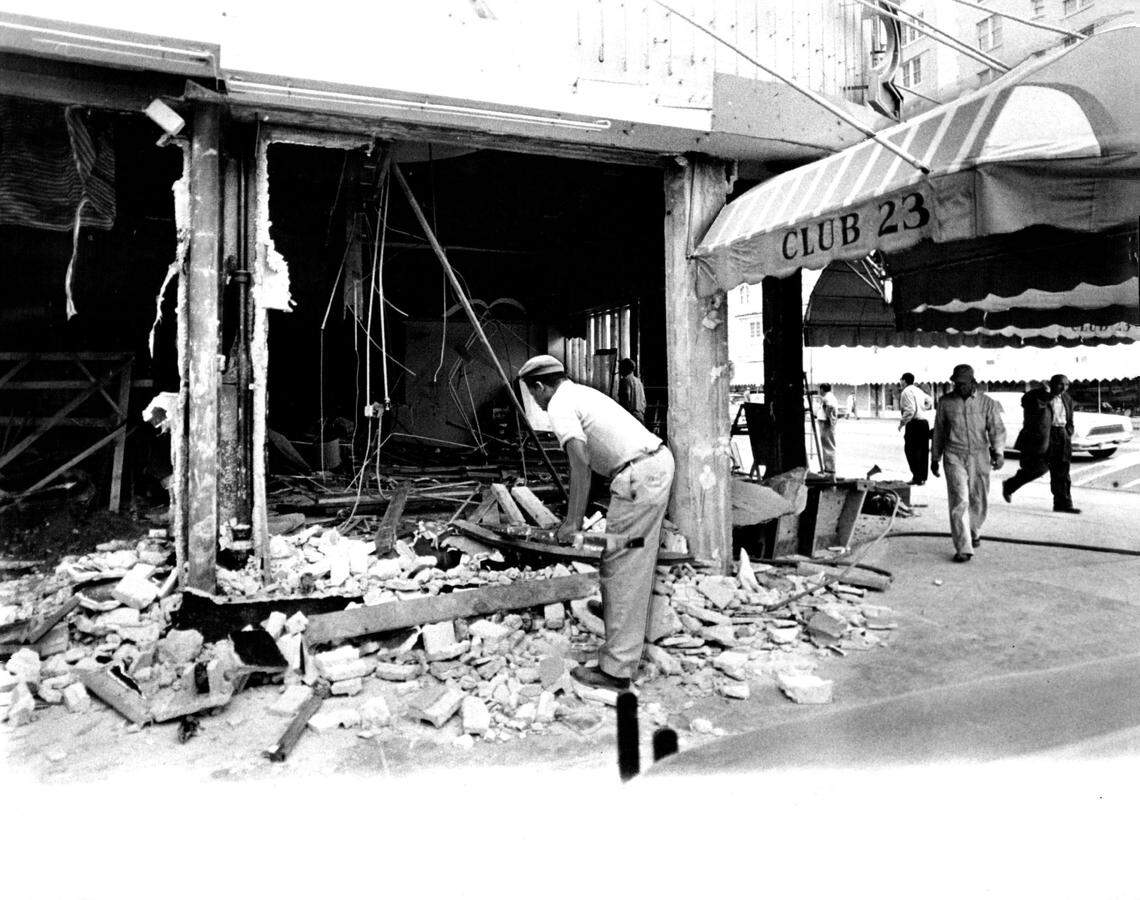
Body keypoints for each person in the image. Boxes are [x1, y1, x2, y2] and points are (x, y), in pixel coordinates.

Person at [518, 354, 675, 691]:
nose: (536, 402)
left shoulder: (559, 405)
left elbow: (580, 463)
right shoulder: (579, 393)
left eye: (533, 394)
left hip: (639, 475)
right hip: (652, 465)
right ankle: (619, 614)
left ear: (540, 386)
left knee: (623, 564)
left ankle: (617, 670)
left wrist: (572, 523)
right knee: (630, 553)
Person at [930, 364, 1006, 562]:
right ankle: (963, 547)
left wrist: (998, 452)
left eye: (963, 383)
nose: (959, 387)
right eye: (956, 383)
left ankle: (974, 530)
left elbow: (996, 429)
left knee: (978, 498)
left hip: (980, 456)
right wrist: (935, 458)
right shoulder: (945, 402)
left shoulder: (987, 403)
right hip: (954, 455)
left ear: (973, 382)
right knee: (959, 499)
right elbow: (939, 431)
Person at [1002, 374, 1080, 514]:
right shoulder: (1037, 395)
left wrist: (1068, 432)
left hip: (1062, 435)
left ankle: (1063, 504)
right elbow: (1028, 402)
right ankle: (1010, 485)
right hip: (1043, 437)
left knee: (1062, 471)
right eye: (1060, 384)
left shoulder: (1067, 398)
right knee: (1037, 468)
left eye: (1067, 384)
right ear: (1051, 383)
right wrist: (1047, 394)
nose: (1064, 388)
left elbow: (1070, 419)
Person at [898, 372, 933, 485]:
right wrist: (923, 408)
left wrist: (902, 422)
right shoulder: (918, 390)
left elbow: (910, 410)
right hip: (924, 423)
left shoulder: (906, 391)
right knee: (923, 451)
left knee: (910, 450)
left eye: (901, 380)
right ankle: (922, 477)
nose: (900, 382)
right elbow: (929, 401)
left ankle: (917, 476)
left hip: (914, 423)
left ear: (904, 380)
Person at [817, 383, 839, 474]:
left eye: (820, 389)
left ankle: (830, 468)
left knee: (828, 445)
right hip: (826, 422)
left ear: (822, 389)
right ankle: (828, 467)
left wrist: (828, 418)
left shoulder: (827, 397)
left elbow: (830, 407)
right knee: (827, 445)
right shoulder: (829, 397)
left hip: (825, 422)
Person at [617, 357, 647, 424]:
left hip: (629, 417)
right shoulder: (639, 382)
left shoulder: (624, 381)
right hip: (640, 416)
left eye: (620, 368)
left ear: (625, 368)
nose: (619, 370)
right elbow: (644, 401)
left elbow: (625, 400)